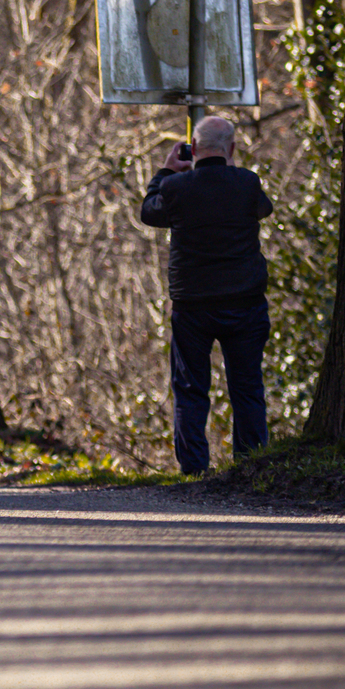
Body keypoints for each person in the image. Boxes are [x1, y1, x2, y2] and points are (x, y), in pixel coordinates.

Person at [139, 113, 273, 474]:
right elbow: (264, 208)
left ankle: (195, 470)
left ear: (193, 148)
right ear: (232, 148)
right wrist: (231, 169)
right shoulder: (246, 183)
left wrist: (166, 172)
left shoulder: (177, 188)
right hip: (244, 303)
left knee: (191, 389)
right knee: (247, 389)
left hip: (193, 306)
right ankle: (249, 466)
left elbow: (149, 213)